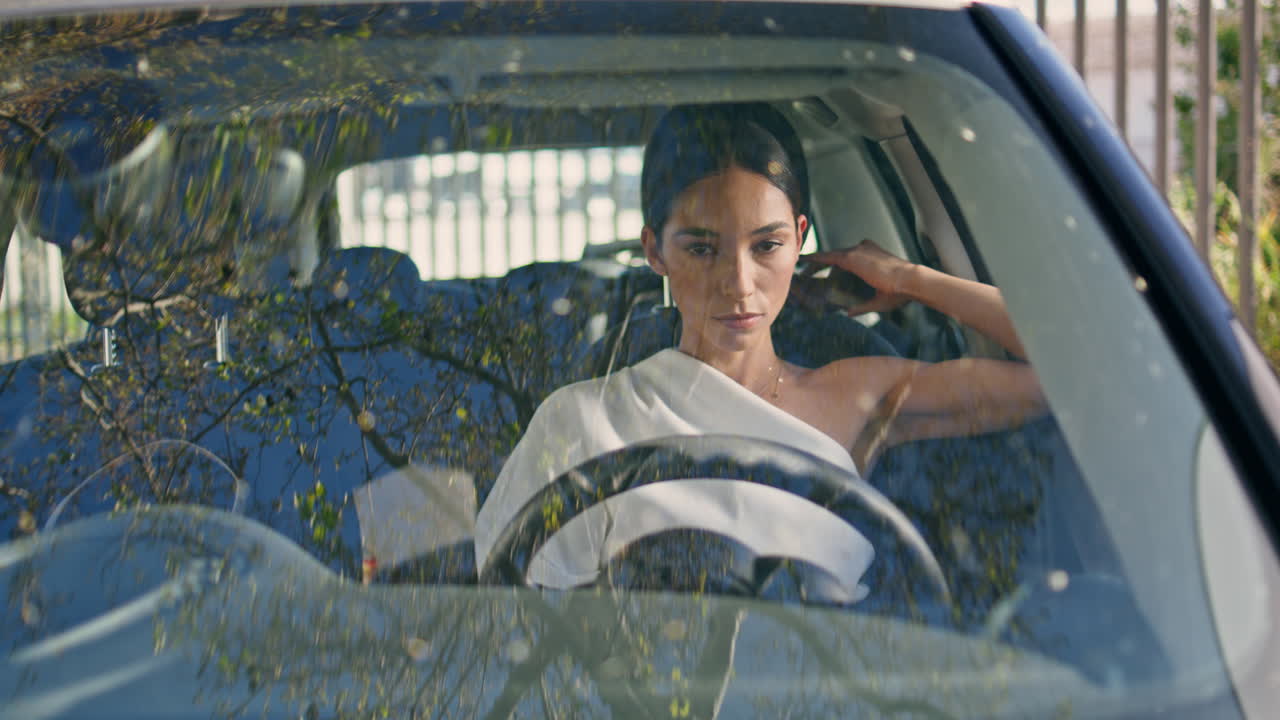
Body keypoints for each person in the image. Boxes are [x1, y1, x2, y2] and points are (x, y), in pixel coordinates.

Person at [474, 102, 1046, 598]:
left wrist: (911, 277)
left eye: (767, 245)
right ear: (655, 251)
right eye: (702, 248)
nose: (740, 284)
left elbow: (1071, 378)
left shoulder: (857, 396)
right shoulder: (581, 423)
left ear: (800, 238)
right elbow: (515, 622)